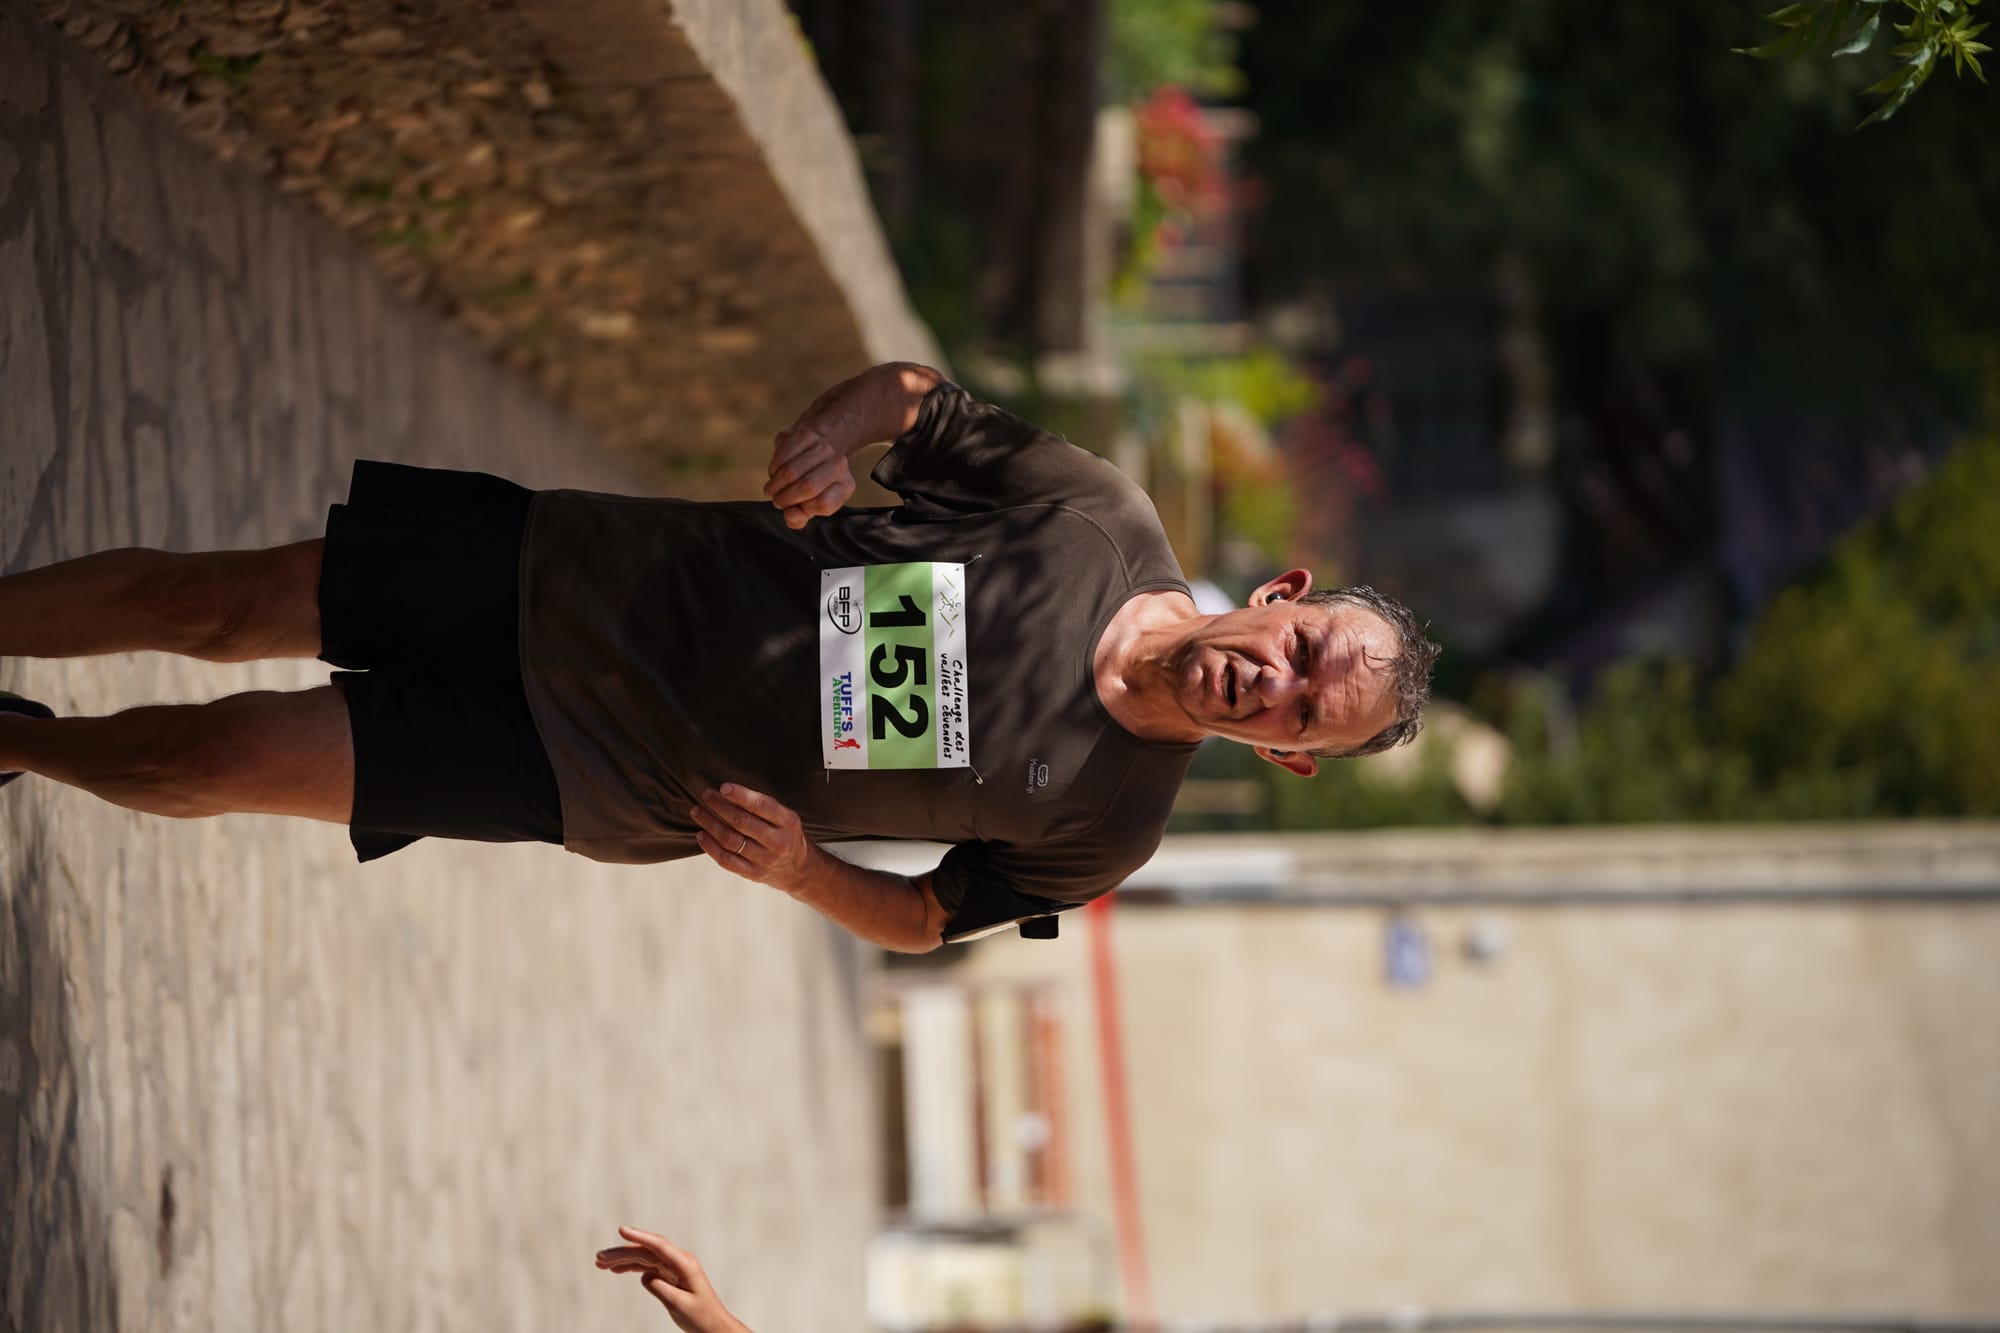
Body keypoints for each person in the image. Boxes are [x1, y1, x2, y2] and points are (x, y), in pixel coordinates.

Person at [0, 364, 1437, 948]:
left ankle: (17, 741)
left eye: (1306, 708)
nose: (1280, 679)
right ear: (1283, 592)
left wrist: (803, 870)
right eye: (1305, 645)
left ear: (1293, 754)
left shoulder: (1110, 828)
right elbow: (917, 402)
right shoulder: (1097, 517)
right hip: (572, 569)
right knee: (213, 603)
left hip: (593, 775)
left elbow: (928, 918)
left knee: (222, 754)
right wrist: (826, 434)